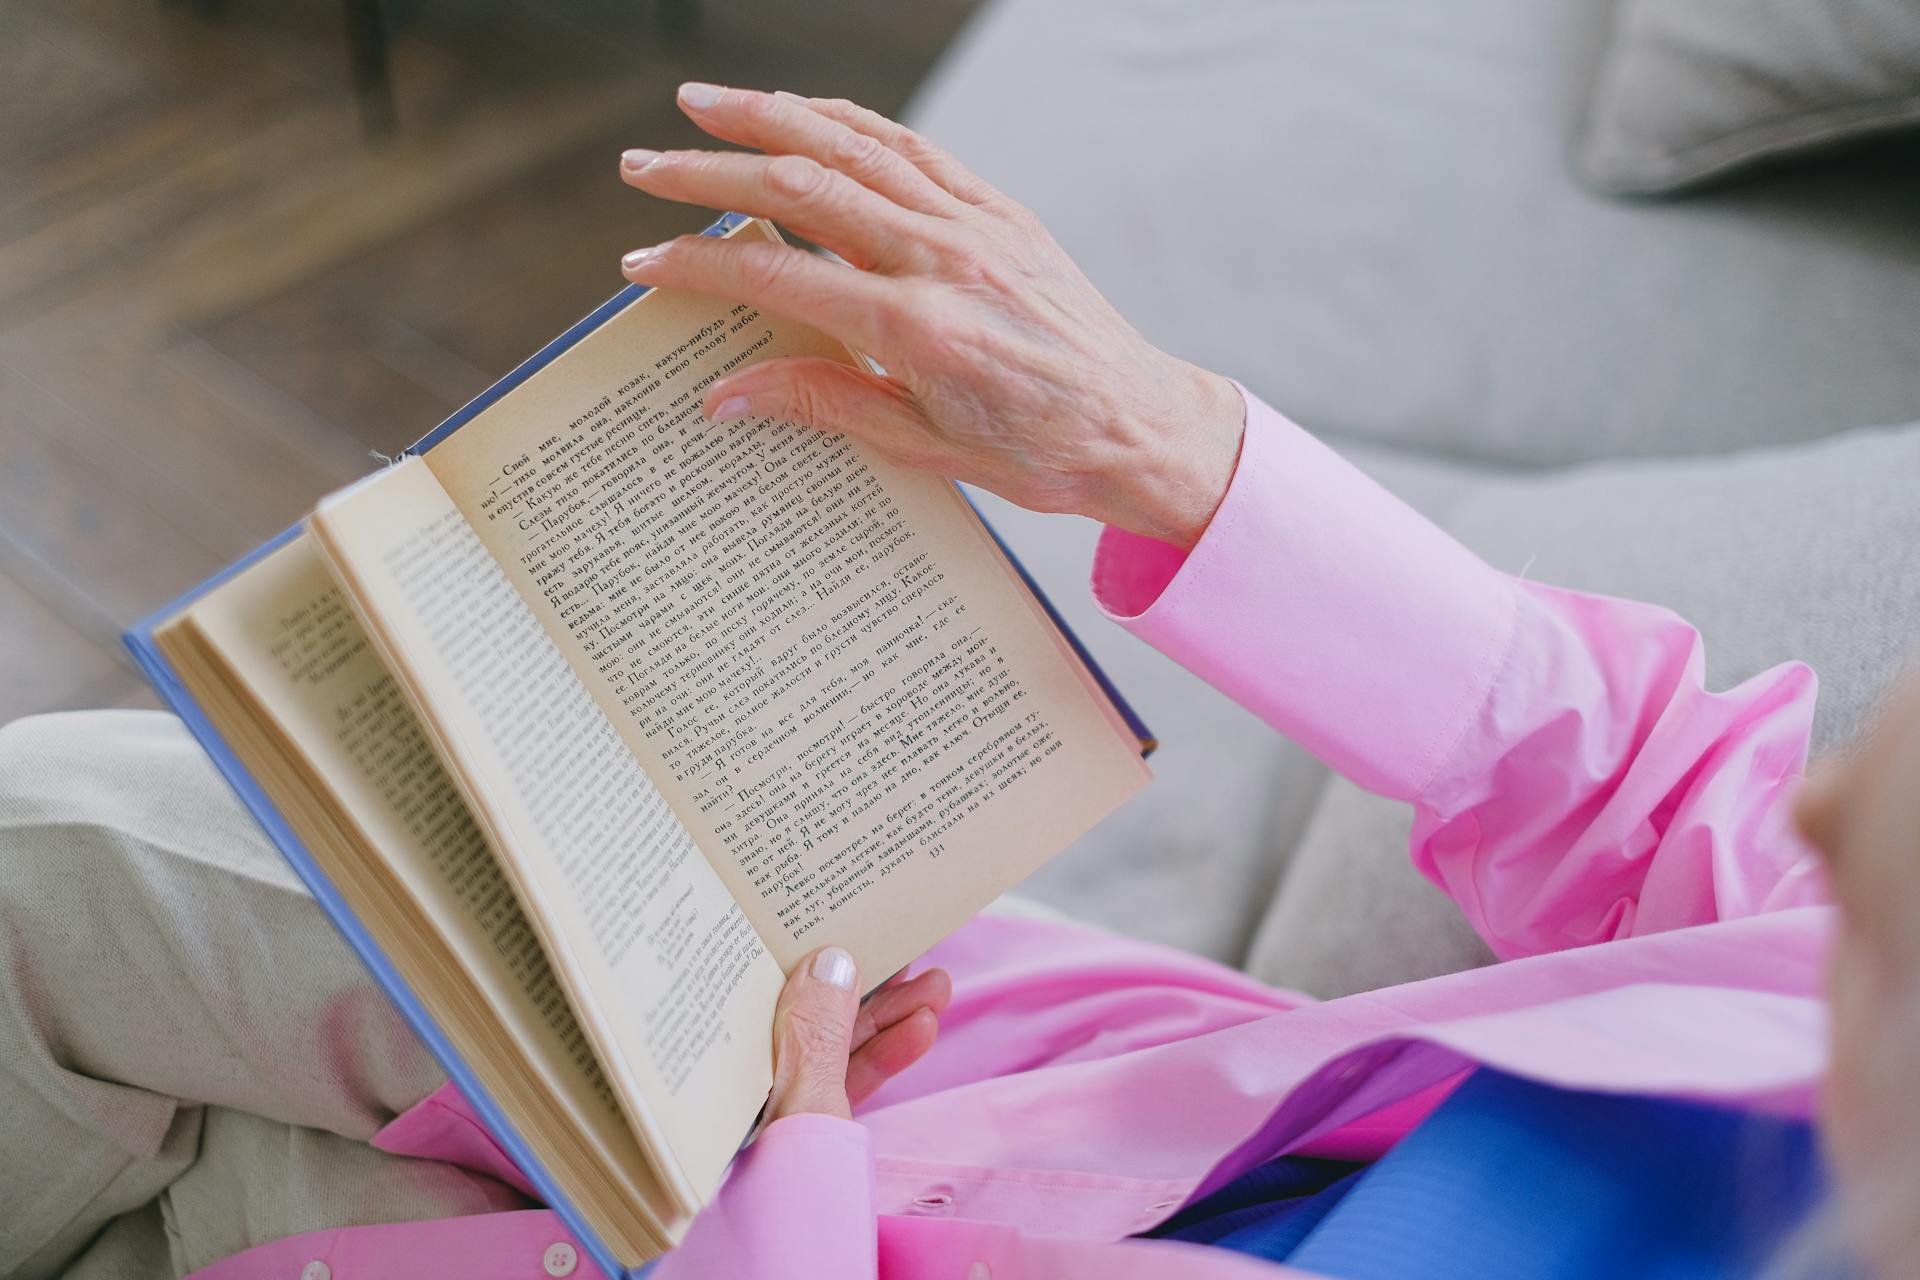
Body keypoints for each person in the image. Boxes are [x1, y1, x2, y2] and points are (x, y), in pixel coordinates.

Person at [2, 82, 1912, 1279]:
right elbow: (1664, 803)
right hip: (921, 1059)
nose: (1832, 794)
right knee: (58, 862)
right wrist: (1166, 445)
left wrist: (800, 1192)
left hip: (783, 1178)